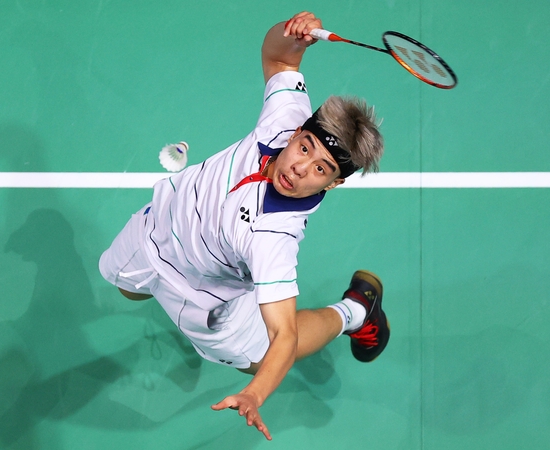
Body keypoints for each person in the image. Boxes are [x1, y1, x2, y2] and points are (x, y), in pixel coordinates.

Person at [99, 11, 389, 440]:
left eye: (320, 168)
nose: (299, 167)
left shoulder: (273, 239)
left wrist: (255, 392)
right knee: (125, 287)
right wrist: (294, 35)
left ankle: (357, 311)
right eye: (304, 147)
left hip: (205, 298)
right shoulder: (284, 120)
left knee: (265, 355)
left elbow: (285, 335)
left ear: (336, 181)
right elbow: (279, 60)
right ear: (298, 132)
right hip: (153, 233)